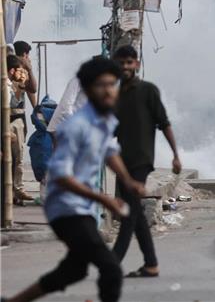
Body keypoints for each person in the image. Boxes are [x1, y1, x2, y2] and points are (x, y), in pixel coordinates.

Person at [2, 57, 146, 302]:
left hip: (82, 207)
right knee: (111, 269)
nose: (111, 91)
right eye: (104, 85)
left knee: (73, 270)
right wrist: (105, 199)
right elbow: (62, 177)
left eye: (114, 84)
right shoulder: (75, 127)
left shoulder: (104, 120)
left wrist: (128, 181)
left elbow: (110, 153)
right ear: (89, 90)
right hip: (65, 209)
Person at [111, 45, 182, 278]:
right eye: (121, 62)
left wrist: (175, 155)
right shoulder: (115, 96)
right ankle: (151, 264)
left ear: (137, 64)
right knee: (136, 215)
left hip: (141, 161)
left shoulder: (148, 91)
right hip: (121, 163)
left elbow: (164, 123)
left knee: (129, 213)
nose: (125, 67)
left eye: (129, 62)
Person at [7, 55, 34, 204]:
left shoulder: (14, 83)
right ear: (12, 70)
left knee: (17, 158)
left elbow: (31, 89)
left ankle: (15, 190)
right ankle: (14, 190)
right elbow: (10, 105)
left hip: (16, 121)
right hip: (9, 123)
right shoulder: (6, 85)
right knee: (14, 159)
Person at [13, 41, 38, 107]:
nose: (29, 59)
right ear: (24, 55)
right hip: (11, 112)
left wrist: (29, 70)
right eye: (27, 56)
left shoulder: (24, 72)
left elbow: (33, 89)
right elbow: (14, 102)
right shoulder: (12, 70)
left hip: (18, 112)